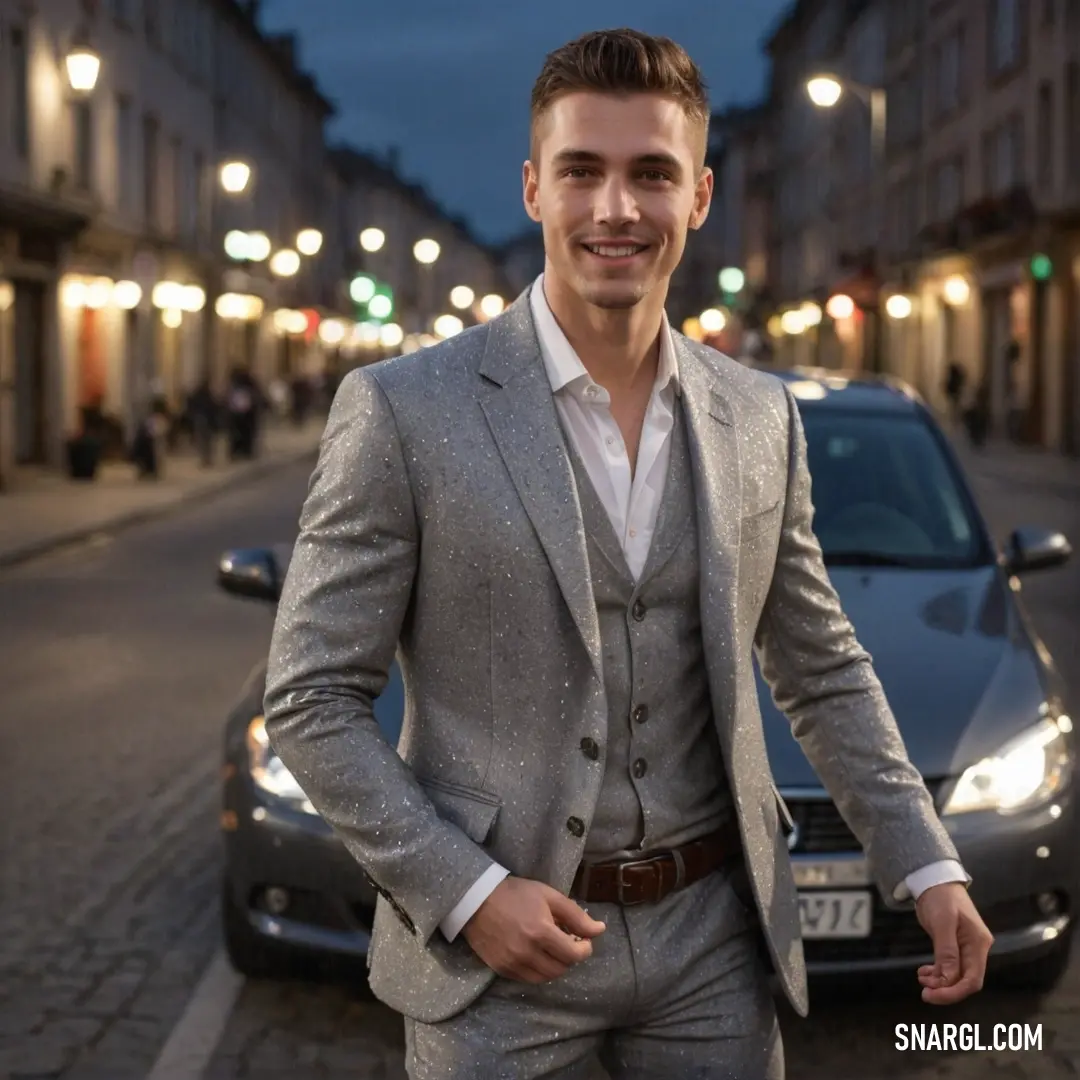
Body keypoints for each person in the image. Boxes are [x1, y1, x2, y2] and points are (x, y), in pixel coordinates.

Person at [262, 29, 993, 1080]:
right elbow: (311, 695)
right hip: (500, 963)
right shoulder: (400, 412)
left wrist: (925, 863)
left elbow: (821, 666)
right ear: (532, 190)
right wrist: (465, 892)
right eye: (582, 172)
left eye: (652, 174)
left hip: (714, 945)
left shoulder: (759, 416)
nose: (616, 208)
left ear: (697, 197)